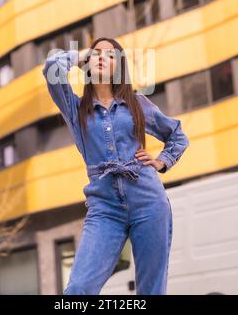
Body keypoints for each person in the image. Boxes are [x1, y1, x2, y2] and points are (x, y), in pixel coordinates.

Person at [42, 36, 190, 295]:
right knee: (78, 290)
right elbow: (51, 67)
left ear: (118, 67)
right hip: (105, 208)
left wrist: (161, 161)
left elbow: (177, 135)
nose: (101, 57)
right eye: (97, 53)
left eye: (110, 56)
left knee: (150, 291)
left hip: (148, 202)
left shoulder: (137, 103)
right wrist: (81, 56)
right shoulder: (77, 109)